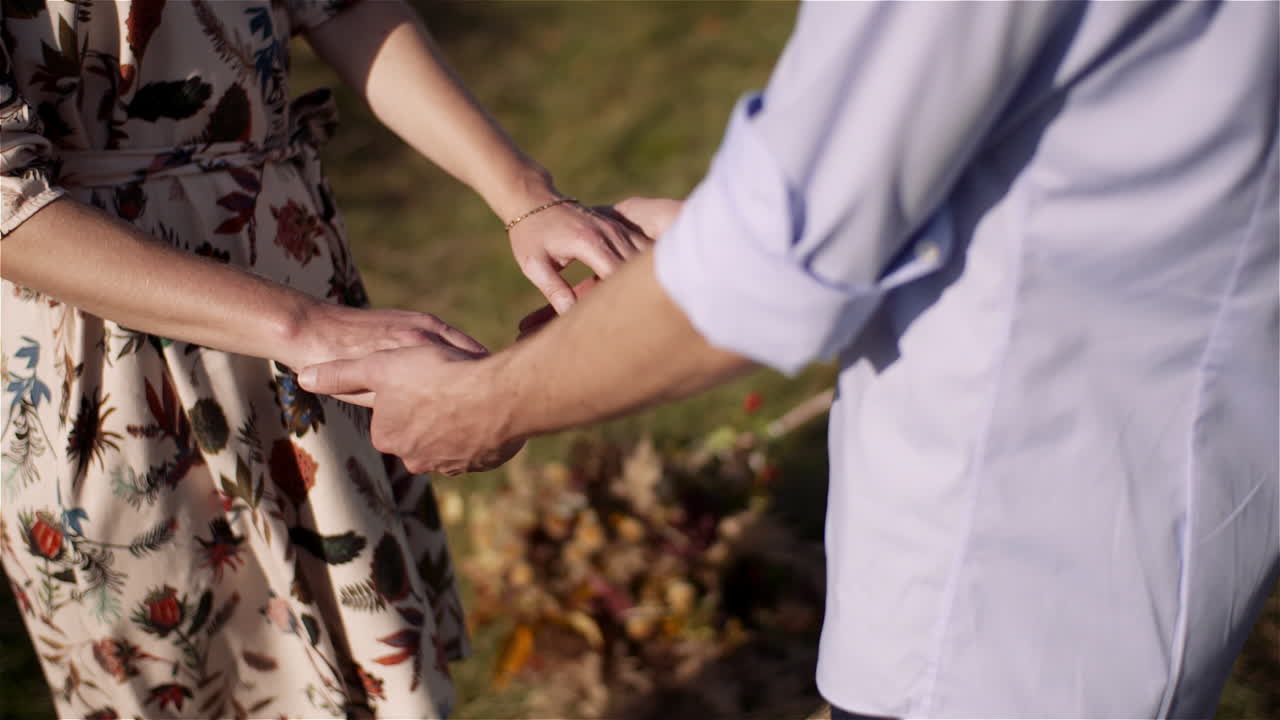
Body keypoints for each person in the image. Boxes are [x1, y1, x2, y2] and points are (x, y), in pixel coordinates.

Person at [301, 2, 1280, 717]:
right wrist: (705, 240)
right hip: (1153, 494)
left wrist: (484, 404)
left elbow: (776, 265)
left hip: (1005, 580)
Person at [0, 0, 647, 717]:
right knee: (204, 672)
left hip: (291, 264)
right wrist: (307, 328)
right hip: (105, 356)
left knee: (370, 648)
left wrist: (524, 196)